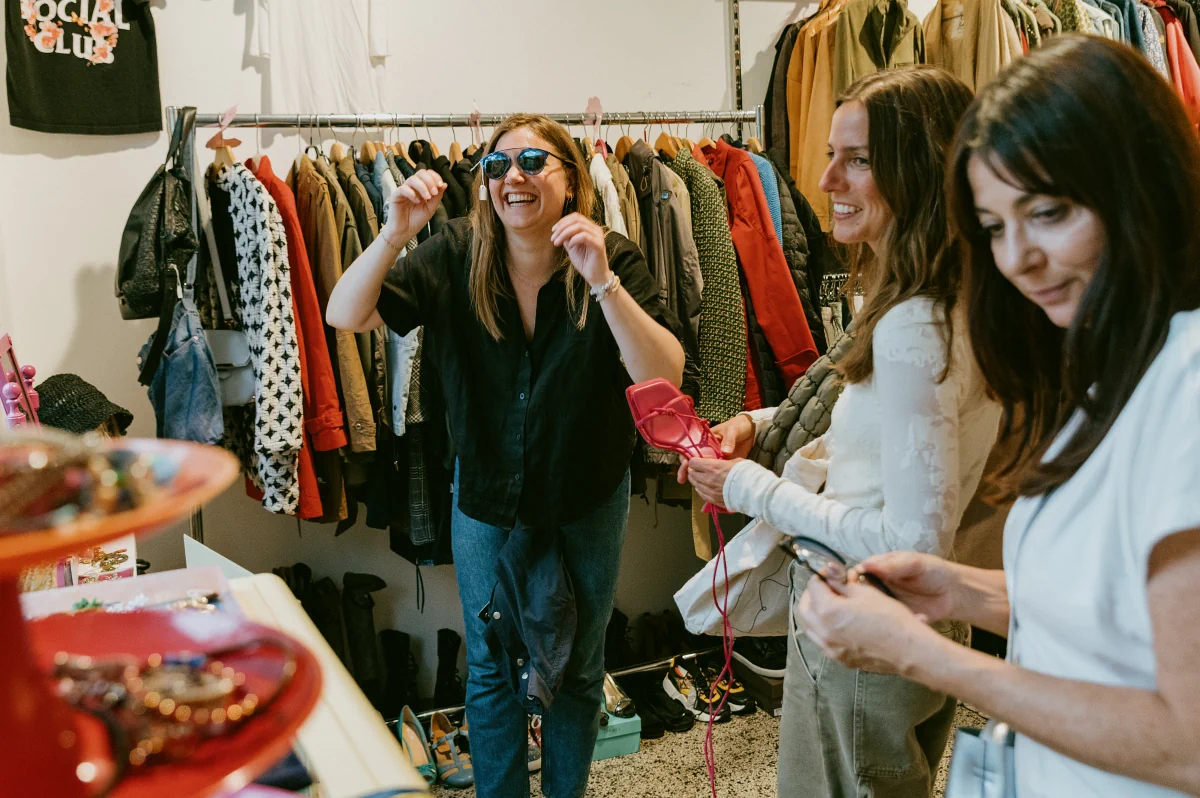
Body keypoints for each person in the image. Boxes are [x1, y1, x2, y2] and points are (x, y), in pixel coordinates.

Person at [793, 36, 1200, 797]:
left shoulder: (1187, 384)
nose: (1019, 259)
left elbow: (1189, 741)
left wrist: (928, 655)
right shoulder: (1109, 372)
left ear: (1141, 187)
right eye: (994, 226)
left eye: (1047, 212)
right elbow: (1122, 611)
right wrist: (967, 593)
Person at [327, 114, 684, 797]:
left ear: (572, 179)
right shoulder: (454, 252)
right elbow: (346, 313)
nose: (511, 178)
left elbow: (662, 372)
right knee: (491, 669)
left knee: (578, 670)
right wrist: (395, 233)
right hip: (487, 499)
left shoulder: (613, 254)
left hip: (585, 498)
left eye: (530, 161)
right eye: (496, 167)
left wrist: (604, 282)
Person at [680, 67, 1000, 797]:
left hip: (867, 615)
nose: (824, 179)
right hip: (899, 619)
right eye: (832, 155)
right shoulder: (939, 293)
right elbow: (885, 426)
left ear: (920, 169)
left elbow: (913, 543)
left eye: (858, 160)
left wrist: (751, 488)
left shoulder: (916, 321)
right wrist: (759, 426)